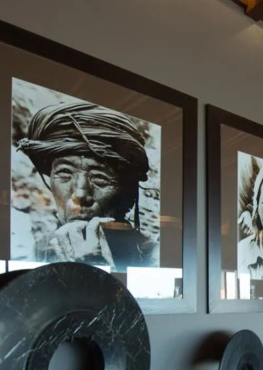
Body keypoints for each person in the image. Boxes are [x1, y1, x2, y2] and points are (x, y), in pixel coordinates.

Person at [15, 101, 158, 269]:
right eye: (65, 172)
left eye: (100, 178)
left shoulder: (153, 258)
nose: (80, 194)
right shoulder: (39, 251)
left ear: (127, 193)